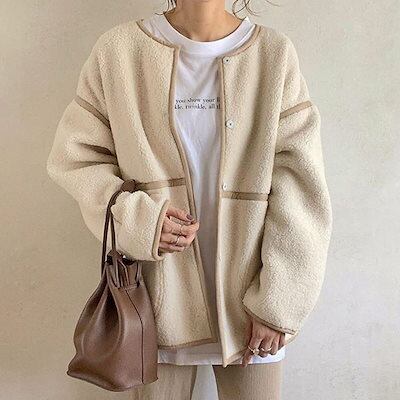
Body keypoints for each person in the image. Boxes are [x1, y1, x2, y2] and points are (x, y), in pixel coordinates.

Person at [46, 1, 333, 399]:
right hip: (156, 307)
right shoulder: (119, 51)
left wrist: (279, 302)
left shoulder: (273, 54)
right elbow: (77, 159)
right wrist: (140, 222)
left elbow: (301, 186)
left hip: (251, 308)